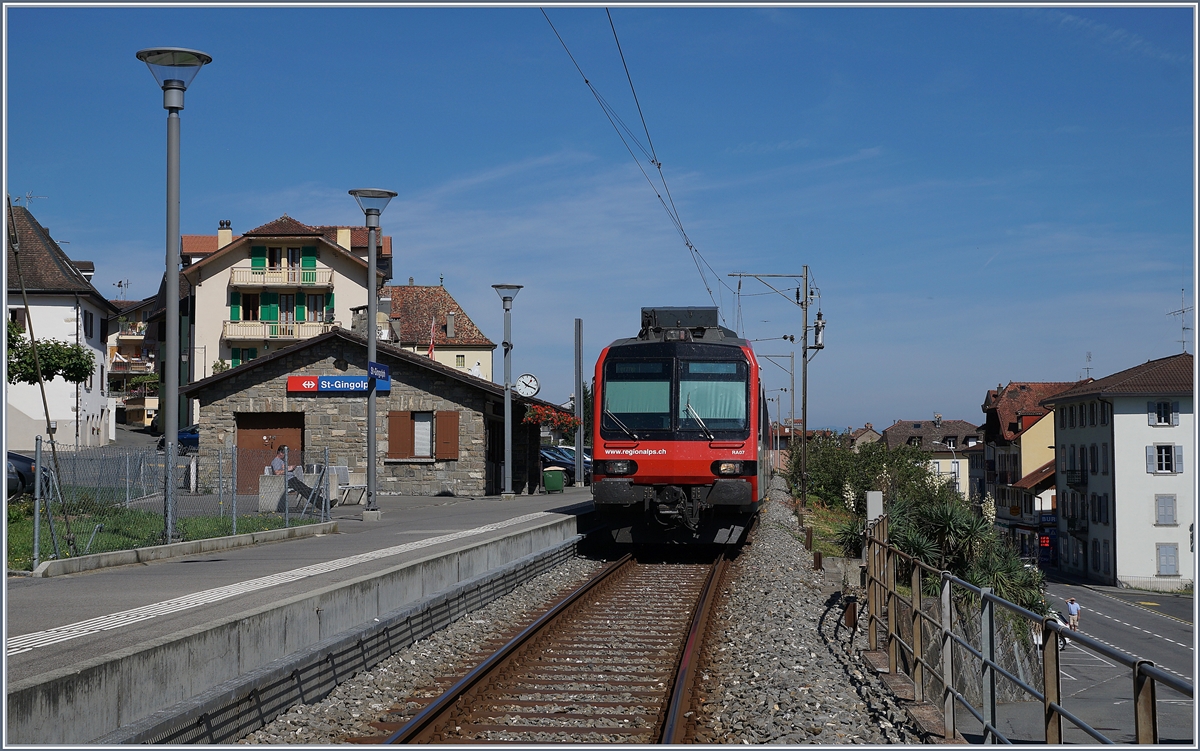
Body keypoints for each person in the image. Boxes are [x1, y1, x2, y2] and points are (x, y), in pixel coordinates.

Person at [272, 446, 323, 512]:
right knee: (305, 490)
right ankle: (322, 503)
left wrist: (290, 468)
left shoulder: (282, 461)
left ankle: (323, 503)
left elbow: (282, 469)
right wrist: (288, 469)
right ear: (280, 453)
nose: (286, 455)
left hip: (292, 478)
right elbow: (277, 473)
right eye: (285, 453)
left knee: (306, 490)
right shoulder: (276, 461)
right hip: (288, 480)